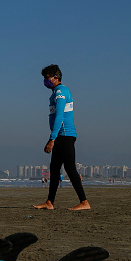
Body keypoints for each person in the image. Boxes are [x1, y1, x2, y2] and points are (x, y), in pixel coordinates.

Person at [33, 64, 90, 210]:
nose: (45, 81)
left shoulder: (61, 91)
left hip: (65, 135)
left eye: (47, 78)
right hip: (59, 135)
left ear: (55, 77)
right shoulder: (54, 93)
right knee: (54, 168)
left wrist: (52, 139)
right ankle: (50, 202)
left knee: (70, 168)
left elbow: (59, 116)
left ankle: (84, 202)